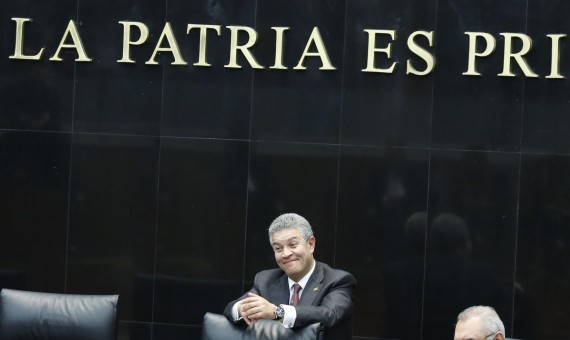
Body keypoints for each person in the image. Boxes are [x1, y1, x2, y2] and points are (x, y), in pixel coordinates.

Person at [223, 213, 357, 339]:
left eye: (292, 245)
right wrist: (242, 309)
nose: (285, 254)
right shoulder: (265, 279)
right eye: (278, 248)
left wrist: (277, 312)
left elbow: (328, 315)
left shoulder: (338, 280)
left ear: (310, 244)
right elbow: (231, 308)